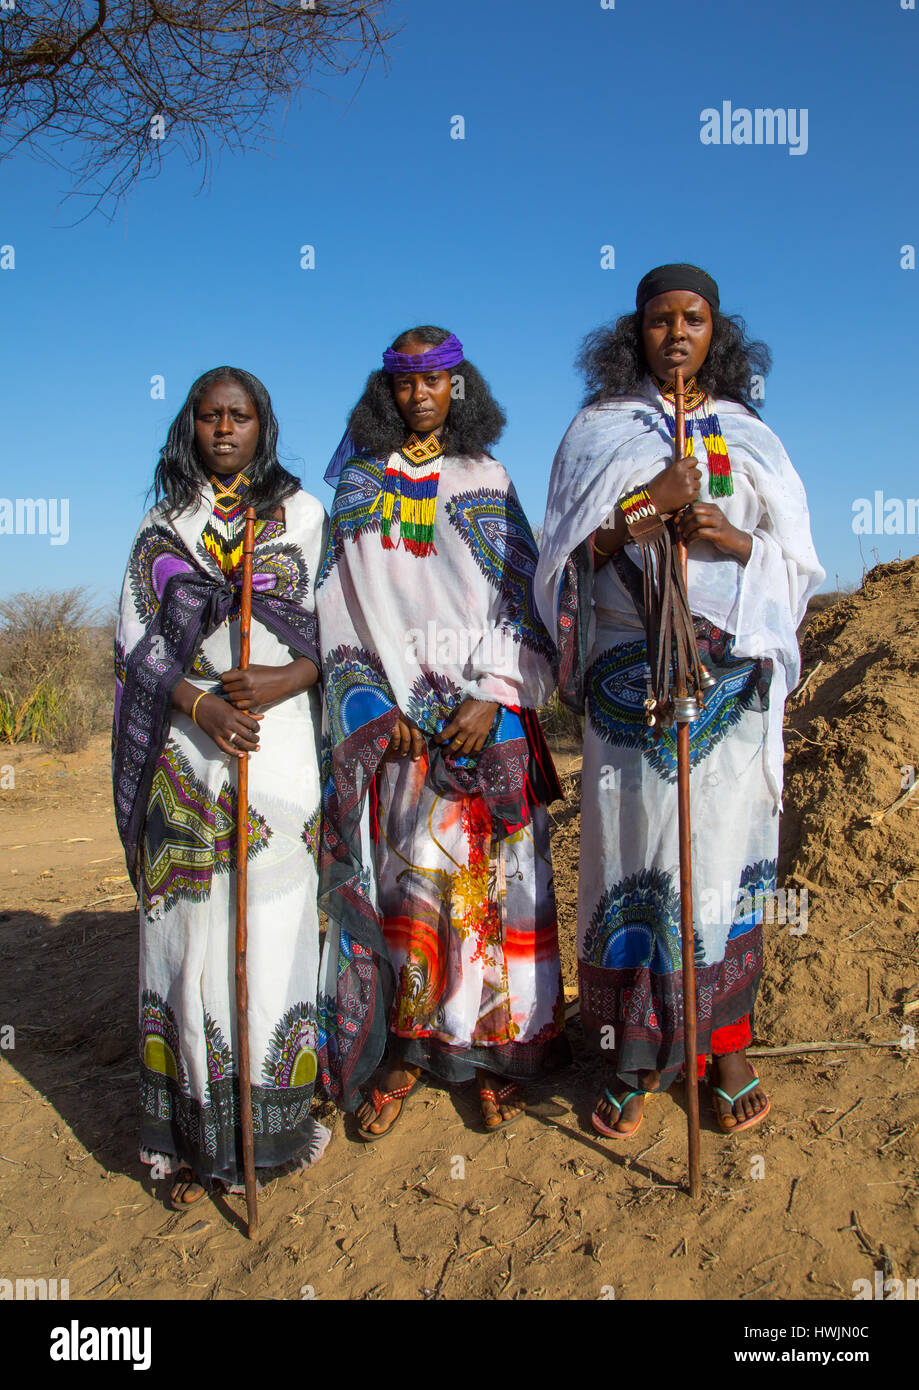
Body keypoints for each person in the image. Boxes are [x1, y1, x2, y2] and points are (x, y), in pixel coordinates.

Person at [535, 265, 824, 1138]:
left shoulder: (748, 434)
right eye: (658, 319)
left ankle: (723, 1045)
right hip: (629, 685)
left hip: (729, 686)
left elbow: (798, 561)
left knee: (724, 857)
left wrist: (738, 542)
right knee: (635, 859)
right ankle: (632, 1054)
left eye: (692, 318)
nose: (675, 333)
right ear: (636, 334)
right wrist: (636, 515)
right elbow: (555, 566)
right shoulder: (595, 434)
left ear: (714, 332)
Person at [316, 326, 568, 1137]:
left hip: (481, 723)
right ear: (384, 393)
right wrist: (374, 707)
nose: (421, 395)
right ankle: (408, 1048)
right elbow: (335, 608)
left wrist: (494, 694)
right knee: (410, 883)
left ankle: (497, 1052)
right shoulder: (356, 488)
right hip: (400, 730)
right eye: (405, 383)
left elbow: (523, 595)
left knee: (494, 886)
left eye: (437, 381)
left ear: (460, 391)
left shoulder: (486, 477)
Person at [113, 366, 330, 1208]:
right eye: (209, 417)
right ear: (190, 427)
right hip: (187, 755)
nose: (225, 429)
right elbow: (135, 644)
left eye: (240, 416)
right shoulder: (164, 524)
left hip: (277, 756)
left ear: (263, 425)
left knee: (272, 927)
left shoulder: (304, 517)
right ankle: (189, 1143)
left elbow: (334, 633)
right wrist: (201, 704)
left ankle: (265, 1134)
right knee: (190, 939)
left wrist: (280, 684)